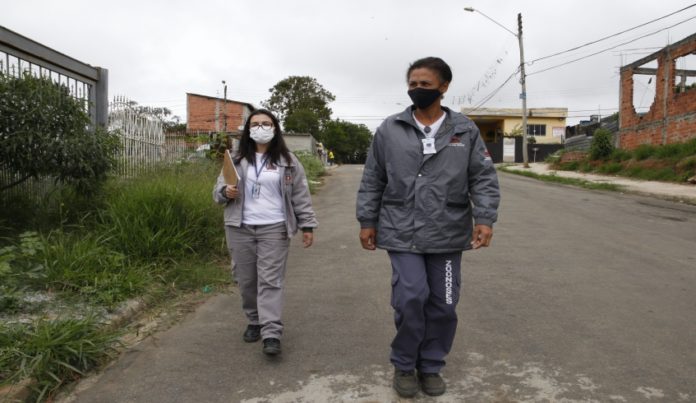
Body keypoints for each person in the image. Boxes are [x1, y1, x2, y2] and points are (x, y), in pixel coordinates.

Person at [356, 57, 500, 398]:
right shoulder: (390, 129)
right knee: (410, 297)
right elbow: (373, 178)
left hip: (448, 232)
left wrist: (485, 218)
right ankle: (405, 364)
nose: (417, 89)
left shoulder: (464, 130)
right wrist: (367, 220)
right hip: (401, 230)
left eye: (425, 84)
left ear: (444, 87)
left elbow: (483, 178)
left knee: (445, 302)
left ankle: (431, 365)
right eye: (413, 84)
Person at [213, 109, 318, 356]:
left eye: (266, 123)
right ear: (248, 129)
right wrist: (225, 192)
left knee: (270, 280)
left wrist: (308, 225)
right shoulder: (236, 159)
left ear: (275, 128)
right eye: (256, 123)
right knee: (246, 279)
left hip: (275, 227)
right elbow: (217, 193)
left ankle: (271, 332)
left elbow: (301, 195)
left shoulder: (288, 161)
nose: (261, 127)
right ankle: (254, 321)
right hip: (240, 227)